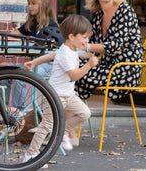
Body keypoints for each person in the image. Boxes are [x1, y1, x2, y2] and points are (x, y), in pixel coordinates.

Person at [23, 15, 98, 165]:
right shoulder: (66, 54)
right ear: (71, 37)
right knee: (46, 126)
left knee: (85, 113)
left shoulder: (69, 49)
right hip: (55, 96)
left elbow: (52, 54)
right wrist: (89, 64)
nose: (87, 41)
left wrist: (35, 61)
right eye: (84, 37)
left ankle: (61, 131)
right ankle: (30, 155)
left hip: (69, 95)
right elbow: (75, 75)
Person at [74, 0, 144, 102]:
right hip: (108, 66)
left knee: (76, 73)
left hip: (125, 70)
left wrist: (84, 45)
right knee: (72, 65)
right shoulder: (99, 16)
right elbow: (92, 52)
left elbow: (113, 46)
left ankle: (60, 117)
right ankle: (61, 116)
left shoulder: (125, 11)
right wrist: (70, 52)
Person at [10, 0, 59, 109]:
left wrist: (30, 41)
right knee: (5, 76)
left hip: (49, 65)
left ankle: (17, 115)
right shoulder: (31, 24)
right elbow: (13, 35)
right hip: (35, 63)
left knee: (19, 78)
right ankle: (4, 113)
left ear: (43, 5)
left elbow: (49, 49)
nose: (29, 6)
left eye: (33, 3)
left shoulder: (51, 26)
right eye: (29, 3)